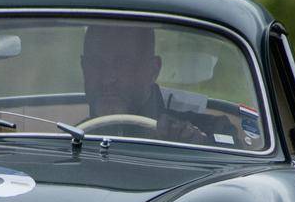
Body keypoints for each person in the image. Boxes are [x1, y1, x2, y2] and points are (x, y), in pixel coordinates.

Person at [79, 23, 239, 146]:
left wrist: (198, 145)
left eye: (123, 64)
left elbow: (237, 159)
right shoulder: (65, 140)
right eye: (95, 64)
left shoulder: (209, 129)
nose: (107, 79)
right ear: (84, 68)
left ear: (153, 70)